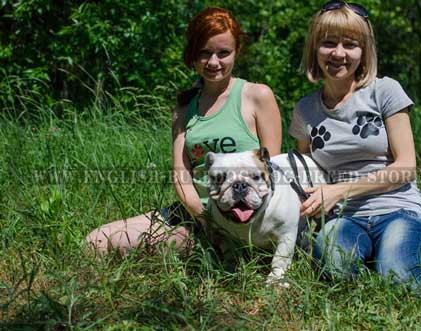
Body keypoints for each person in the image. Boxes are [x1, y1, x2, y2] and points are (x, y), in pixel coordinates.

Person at [289, 1, 421, 286]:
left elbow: (406, 168)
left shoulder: (385, 91)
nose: (338, 53)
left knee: (400, 278)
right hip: (344, 217)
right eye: (328, 43)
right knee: (336, 272)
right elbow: (304, 169)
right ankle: (380, 258)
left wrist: (339, 190)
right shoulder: (305, 110)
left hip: (396, 209)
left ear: (363, 52)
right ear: (314, 49)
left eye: (350, 44)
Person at [86, 7, 282, 255]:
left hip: (245, 215)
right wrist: (206, 220)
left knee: (160, 242)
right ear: (192, 55)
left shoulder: (257, 96)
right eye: (204, 53)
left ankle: (223, 250)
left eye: (223, 53)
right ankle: (206, 244)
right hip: (196, 213)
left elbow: (273, 168)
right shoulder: (183, 109)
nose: (213, 62)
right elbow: (182, 176)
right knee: (95, 242)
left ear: (237, 52)